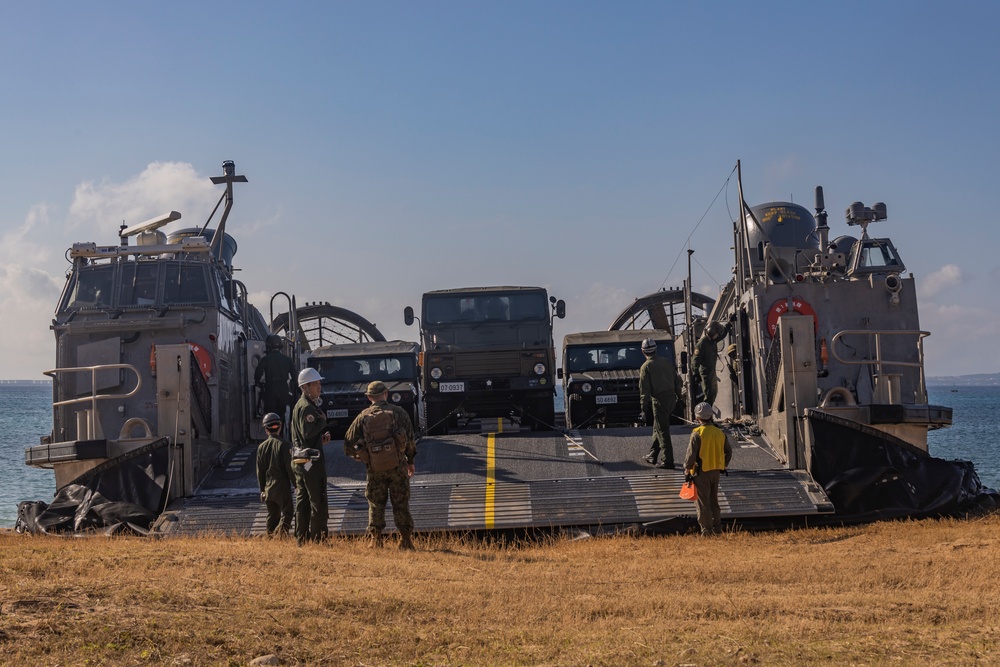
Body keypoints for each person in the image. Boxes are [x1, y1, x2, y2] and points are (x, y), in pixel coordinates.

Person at [344, 380, 418, 550]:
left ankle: (375, 540)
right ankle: (405, 540)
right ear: (386, 394)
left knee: (376, 503)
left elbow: (348, 442)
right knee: (400, 503)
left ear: (369, 397)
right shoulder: (399, 412)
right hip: (398, 467)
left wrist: (360, 455)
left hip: (374, 469)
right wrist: (410, 461)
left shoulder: (362, 416)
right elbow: (410, 440)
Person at [291, 367, 331, 545]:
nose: (319, 387)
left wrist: (319, 439)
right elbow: (308, 433)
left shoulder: (299, 405)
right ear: (305, 387)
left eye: (319, 383)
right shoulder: (307, 407)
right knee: (318, 500)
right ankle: (319, 539)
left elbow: (304, 436)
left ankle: (301, 538)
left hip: (301, 461)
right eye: (316, 384)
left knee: (303, 501)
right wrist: (322, 421)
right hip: (311, 464)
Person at [684, 402, 734, 536]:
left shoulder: (697, 433)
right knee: (714, 501)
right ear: (711, 416)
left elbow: (691, 455)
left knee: (702, 503)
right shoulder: (719, 433)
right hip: (716, 472)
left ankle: (706, 531)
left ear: (697, 417)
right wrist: (724, 465)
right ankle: (718, 529)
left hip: (701, 472)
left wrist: (687, 469)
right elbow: (728, 452)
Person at [639, 338, 683, 468]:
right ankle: (653, 454)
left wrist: (643, 408)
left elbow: (644, 390)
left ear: (643, 351)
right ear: (656, 349)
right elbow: (677, 381)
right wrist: (679, 398)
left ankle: (668, 460)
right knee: (657, 427)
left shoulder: (646, 367)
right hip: (671, 398)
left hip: (659, 400)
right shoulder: (666, 362)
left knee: (662, 430)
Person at [255, 412, 294, 537]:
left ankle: (270, 537)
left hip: (268, 487)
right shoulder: (284, 445)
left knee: (272, 515)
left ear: (266, 429)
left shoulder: (261, 447)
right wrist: (297, 485)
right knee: (288, 512)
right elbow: (290, 468)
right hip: (282, 485)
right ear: (280, 426)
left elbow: (260, 471)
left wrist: (262, 490)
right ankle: (280, 535)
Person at [255, 335, 296, 426]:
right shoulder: (288, 360)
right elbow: (295, 378)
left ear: (269, 345)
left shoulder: (266, 359)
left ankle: (272, 436)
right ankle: (281, 435)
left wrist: (258, 382)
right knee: (282, 417)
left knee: (270, 418)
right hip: (284, 391)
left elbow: (258, 372)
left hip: (270, 391)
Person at [694, 322, 726, 406]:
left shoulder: (712, 341)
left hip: (711, 371)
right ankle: (705, 415)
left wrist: (729, 324)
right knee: (708, 394)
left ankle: (708, 414)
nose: (717, 335)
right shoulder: (702, 344)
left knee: (713, 392)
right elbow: (695, 360)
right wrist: (696, 374)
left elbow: (722, 335)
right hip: (705, 373)